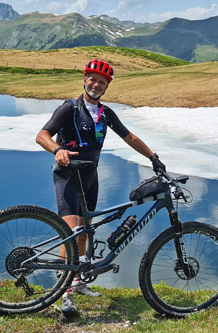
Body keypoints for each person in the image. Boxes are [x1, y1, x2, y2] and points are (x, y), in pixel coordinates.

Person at [36, 59, 166, 316]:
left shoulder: (105, 113)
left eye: (102, 81)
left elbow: (129, 137)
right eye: (92, 79)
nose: (96, 84)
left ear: (107, 86)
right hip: (68, 176)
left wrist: (153, 158)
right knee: (72, 232)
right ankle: (65, 293)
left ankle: (77, 280)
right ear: (84, 79)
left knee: (84, 232)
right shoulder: (69, 108)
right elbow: (42, 135)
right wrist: (58, 150)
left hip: (90, 178)